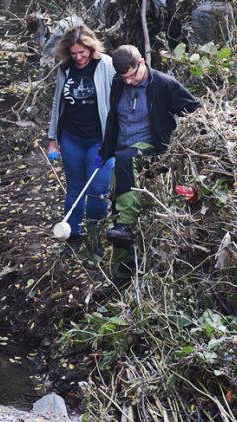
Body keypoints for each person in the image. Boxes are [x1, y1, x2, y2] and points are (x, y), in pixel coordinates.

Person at [96, 45, 201, 291]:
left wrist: (182, 144)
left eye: (133, 75)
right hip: (123, 155)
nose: (130, 81)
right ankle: (124, 273)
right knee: (118, 211)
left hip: (152, 151)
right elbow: (113, 120)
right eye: (125, 78)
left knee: (126, 209)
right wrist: (105, 150)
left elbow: (195, 111)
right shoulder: (118, 83)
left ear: (142, 62)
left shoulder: (163, 84)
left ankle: (128, 223)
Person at [47, 24, 116, 255]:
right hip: (72, 138)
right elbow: (58, 103)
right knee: (74, 189)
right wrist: (52, 140)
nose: (78, 57)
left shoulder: (106, 64)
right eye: (73, 53)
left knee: (97, 192)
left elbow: (118, 98)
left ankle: (95, 239)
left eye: (82, 53)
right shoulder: (65, 68)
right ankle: (73, 236)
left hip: (100, 140)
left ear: (91, 47)